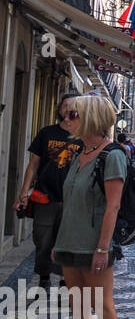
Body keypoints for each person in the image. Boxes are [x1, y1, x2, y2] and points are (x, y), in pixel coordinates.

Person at [48, 95, 124, 319]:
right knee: (78, 305)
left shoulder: (111, 155)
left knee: (102, 304)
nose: (67, 119)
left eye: (73, 114)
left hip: (94, 244)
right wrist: (59, 240)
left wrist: (103, 248)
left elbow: (113, 207)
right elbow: (71, 204)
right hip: (70, 240)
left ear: (90, 118)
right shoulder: (80, 153)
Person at [12, 92, 81, 290]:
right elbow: (33, 164)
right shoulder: (46, 133)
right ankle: (43, 277)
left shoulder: (84, 136)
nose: (68, 109)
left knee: (65, 241)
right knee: (42, 240)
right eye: (65, 105)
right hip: (44, 196)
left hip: (72, 200)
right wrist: (23, 193)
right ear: (59, 108)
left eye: (73, 106)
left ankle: (63, 280)